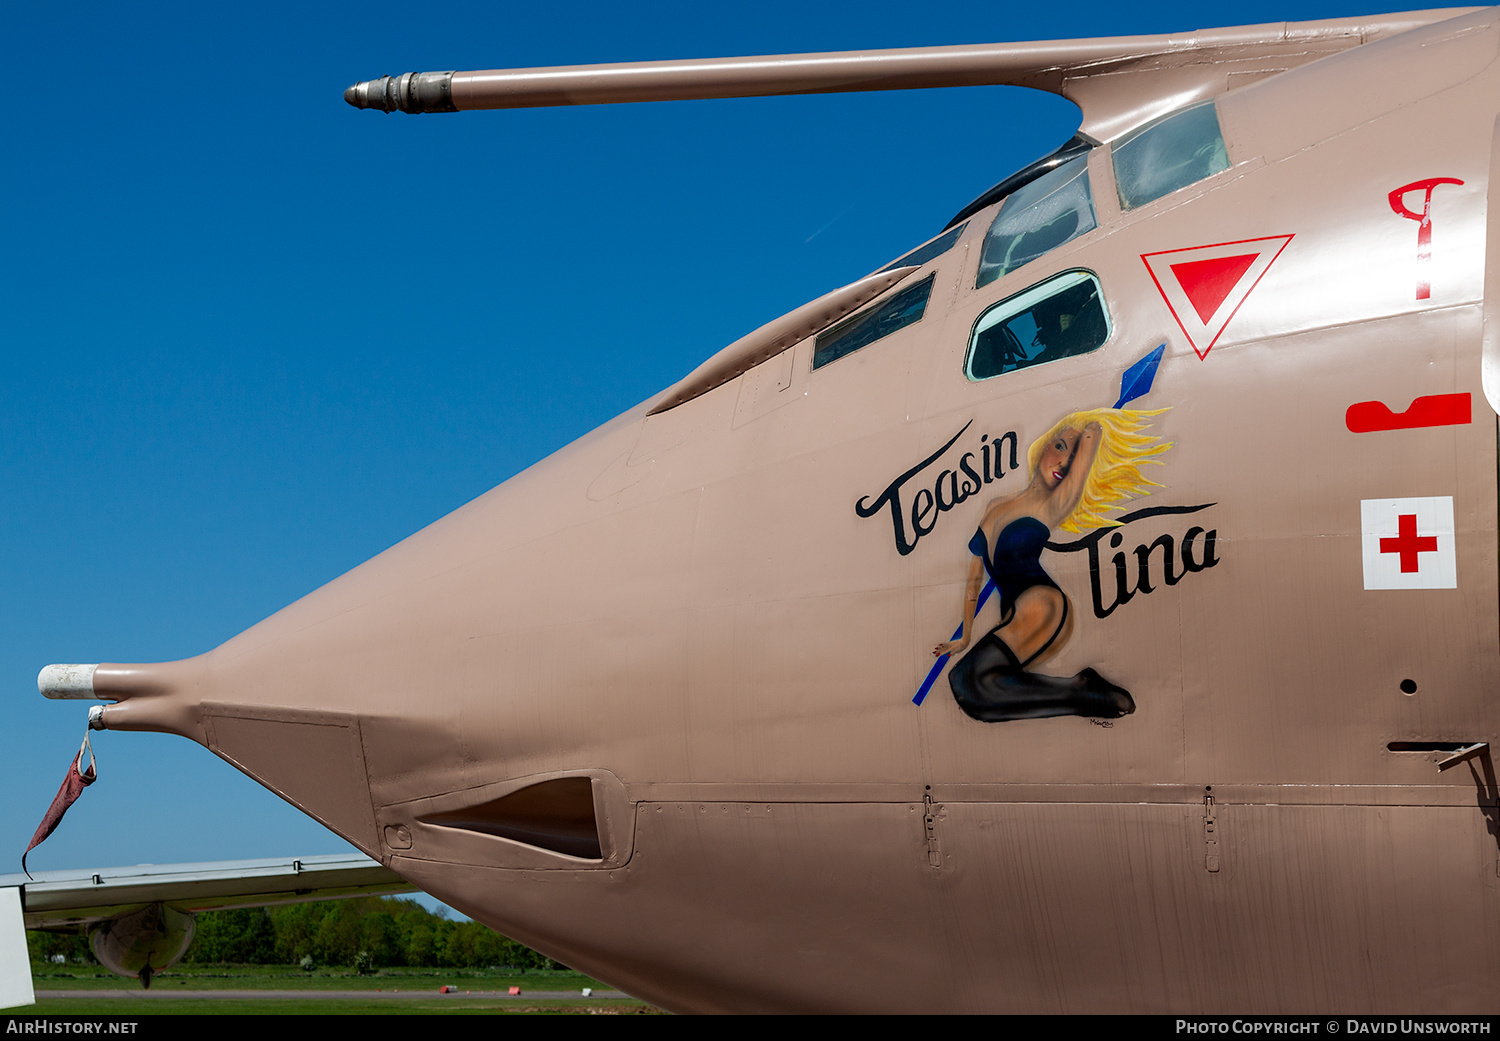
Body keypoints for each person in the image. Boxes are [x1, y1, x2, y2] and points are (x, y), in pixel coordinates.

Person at [934, 407, 1169, 722]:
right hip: (1014, 611)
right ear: (1043, 445)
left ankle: (1087, 694)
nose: (1063, 462)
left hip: (1041, 602)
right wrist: (964, 638)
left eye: (1072, 458)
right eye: (1059, 447)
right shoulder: (995, 506)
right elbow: (974, 584)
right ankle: (1082, 690)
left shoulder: (1053, 505)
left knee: (967, 681)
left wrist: (1090, 428)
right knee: (976, 688)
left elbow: (1088, 446)